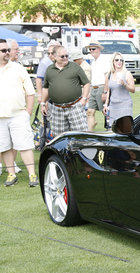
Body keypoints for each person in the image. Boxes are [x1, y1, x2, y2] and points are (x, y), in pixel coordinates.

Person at [0, 39, 37, 187]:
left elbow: (30, 92)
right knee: (6, 147)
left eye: (8, 50)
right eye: (4, 51)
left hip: (19, 114)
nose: (8, 53)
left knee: (24, 145)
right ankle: (11, 174)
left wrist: (28, 112)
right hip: (1, 117)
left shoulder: (18, 68)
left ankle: (32, 174)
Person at [39, 45, 90, 137]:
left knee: (81, 136)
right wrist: (43, 103)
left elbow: (86, 83)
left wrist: (84, 99)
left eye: (67, 56)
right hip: (57, 109)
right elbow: (46, 88)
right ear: (54, 57)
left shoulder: (75, 67)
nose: (65, 58)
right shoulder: (50, 70)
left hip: (75, 107)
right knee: (60, 138)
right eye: (62, 56)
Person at [84, 41, 110, 131]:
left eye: (93, 49)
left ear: (99, 49)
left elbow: (107, 77)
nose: (91, 51)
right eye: (90, 49)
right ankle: (90, 133)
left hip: (101, 88)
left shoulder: (104, 60)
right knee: (89, 111)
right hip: (94, 89)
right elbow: (92, 79)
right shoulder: (93, 62)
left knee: (105, 111)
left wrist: (105, 92)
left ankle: (110, 129)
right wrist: (89, 92)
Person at [103, 52, 135, 126]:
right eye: (117, 60)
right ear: (113, 62)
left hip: (125, 105)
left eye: (121, 60)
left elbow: (133, 90)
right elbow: (109, 90)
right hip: (113, 106)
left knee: (125, 127)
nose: (119, 62)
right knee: (113, 128)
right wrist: (106, 104)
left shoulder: (127, 74)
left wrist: (124, 84)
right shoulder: (109, 74)